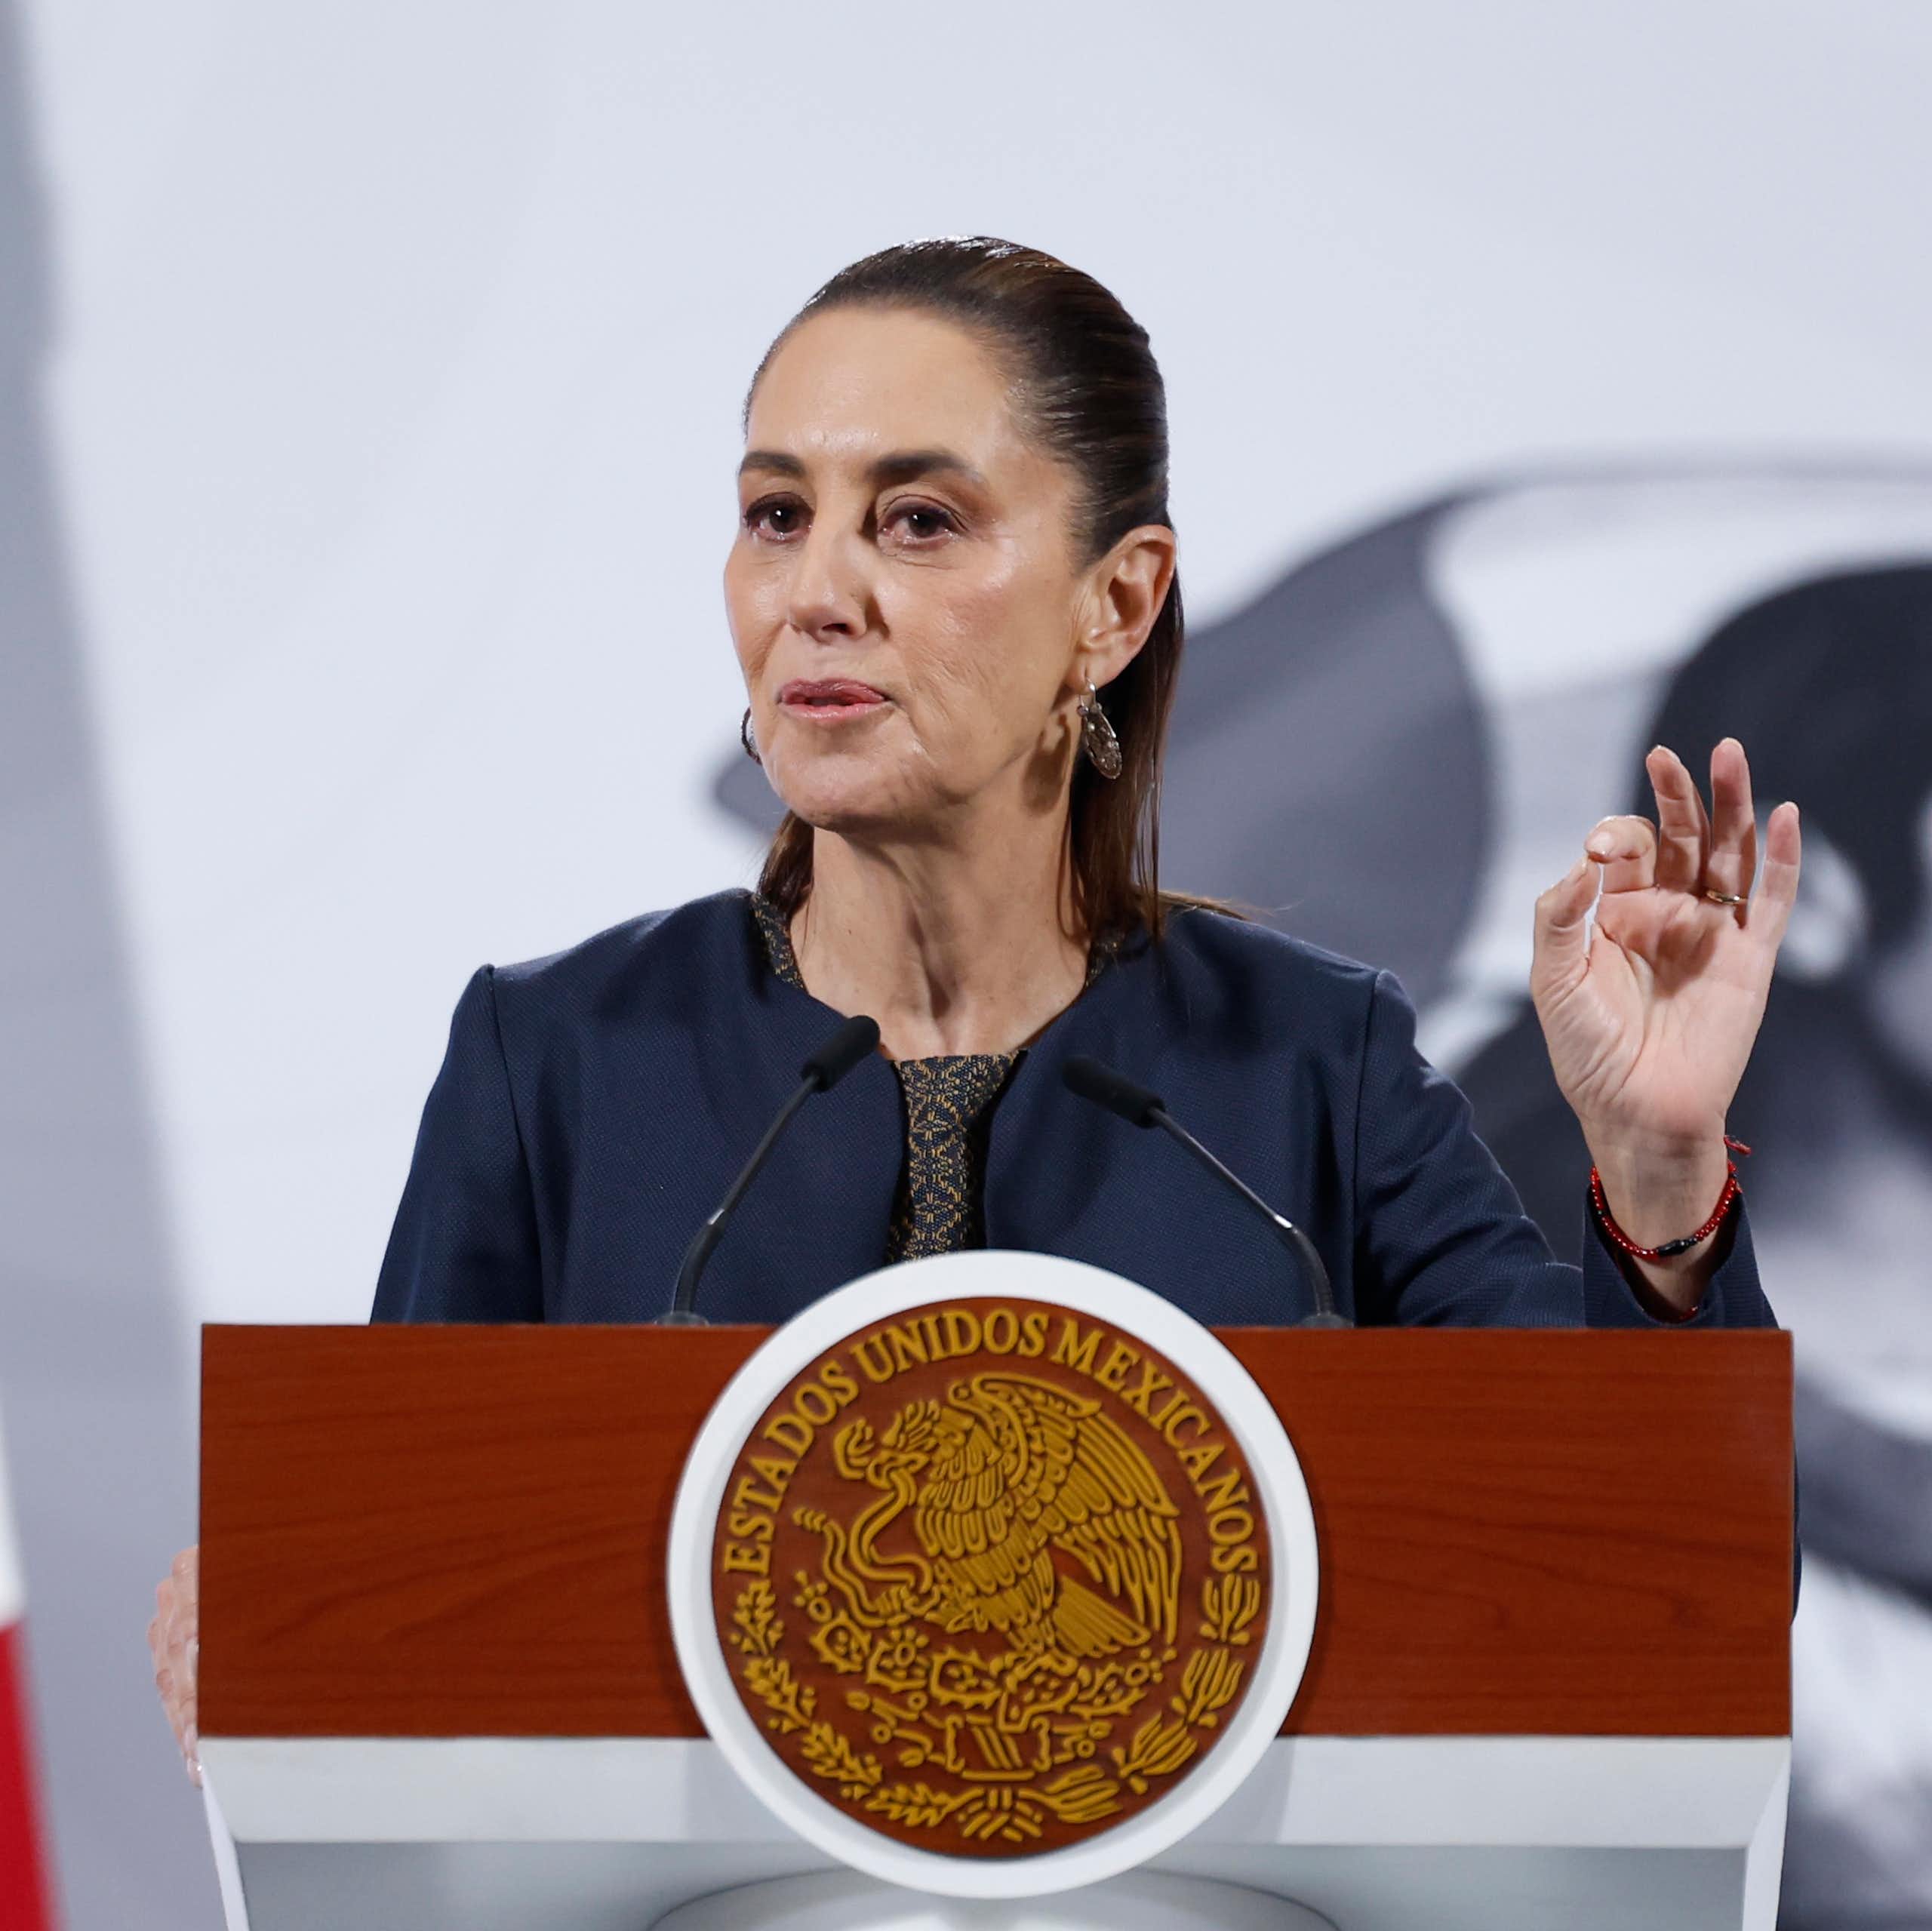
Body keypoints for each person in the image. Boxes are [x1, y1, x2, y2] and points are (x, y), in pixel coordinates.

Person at [148, 235, 1803, 1783]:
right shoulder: (561, 1059)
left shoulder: (1313, 1063)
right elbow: (411, 1615)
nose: (816, 591)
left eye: (918, 520)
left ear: (1115, 604)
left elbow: (1662, 1589)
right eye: (776, 513)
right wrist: (293, 1646)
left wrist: (1660, 1173)